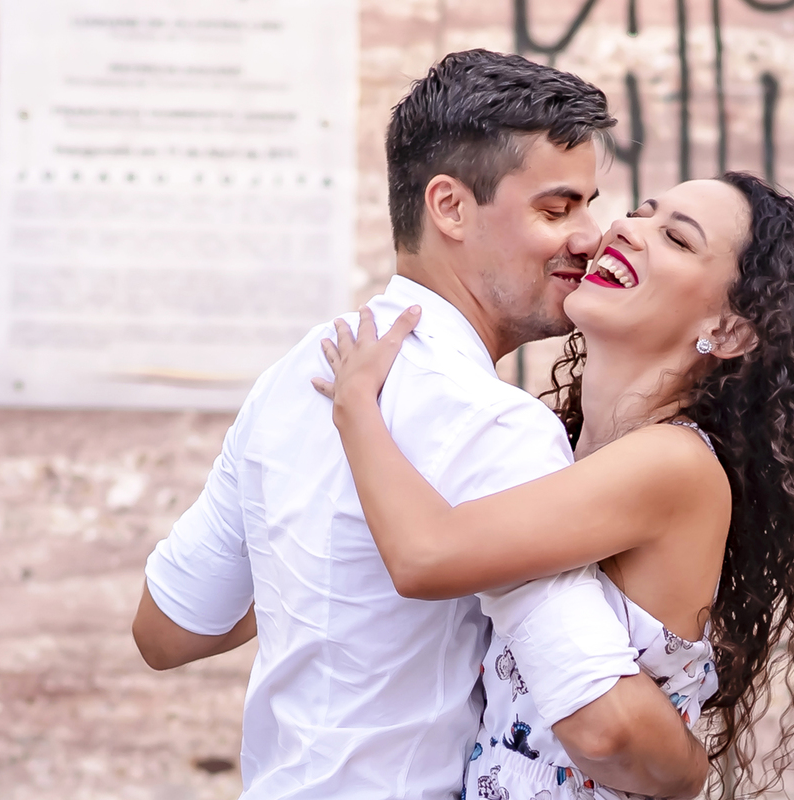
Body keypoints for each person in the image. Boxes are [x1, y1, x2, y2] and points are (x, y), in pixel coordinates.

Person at [132, 50, 709, 799]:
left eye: (590, 205)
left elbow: (166, 631)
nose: (590, 236)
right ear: (450, 207)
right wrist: (696, 771)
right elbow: (604, 728)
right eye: (556, 208)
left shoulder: (300, 371)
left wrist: (318, 569)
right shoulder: (498, 427)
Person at [313, 172, 794, 798]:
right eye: (643, 212)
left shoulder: (673, 465)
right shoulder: (571, 456)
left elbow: (425, 555)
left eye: (676, 238)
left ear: (728, 331)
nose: (627, 227)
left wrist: (356, 408)